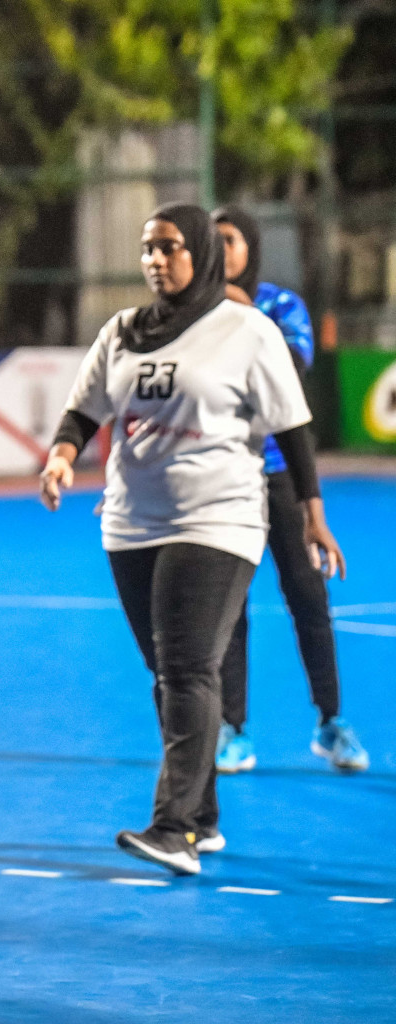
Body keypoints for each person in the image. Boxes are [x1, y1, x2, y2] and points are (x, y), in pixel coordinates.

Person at [41, 202, 346, 876]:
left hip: (219, 518)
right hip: (130, 521)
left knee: (186, 667)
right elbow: (83, 408)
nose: (155, 259)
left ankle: (174, 827)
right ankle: (204, 818)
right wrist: (64, 454)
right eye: (148, 248)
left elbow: (292, 427)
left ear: (200, 253)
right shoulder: (122, 331)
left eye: (170, 247)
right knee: (168, 674)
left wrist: (311, 512)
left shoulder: (247, 330)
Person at [211, 205, 368, 774]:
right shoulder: (195, 312)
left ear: (250, 247)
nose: (219, 248)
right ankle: (232, 728)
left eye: (228, 239)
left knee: (308, 594)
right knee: (229, 606)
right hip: (222, 477)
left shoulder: (279, 305)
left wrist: (246, 315)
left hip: (277, 473)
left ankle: (331, 722)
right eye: (210, 240)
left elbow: (293, 369)